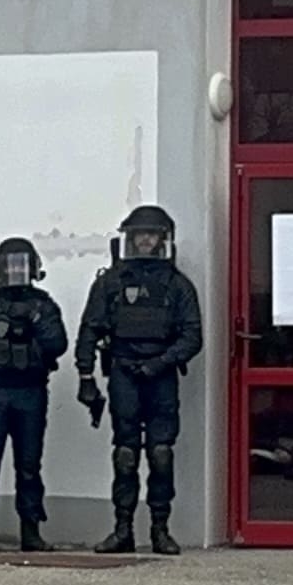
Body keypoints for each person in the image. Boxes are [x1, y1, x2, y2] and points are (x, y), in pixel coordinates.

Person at [77, 204, 205, 556]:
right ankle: (122, 530)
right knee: (125, 454)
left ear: (163, 239)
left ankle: (160, 530)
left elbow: (193, 337)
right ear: (129, 238)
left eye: (152, 234)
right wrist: (85, 375)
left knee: (161, 454)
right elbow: (90, 329)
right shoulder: (111, 282)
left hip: (160, 376)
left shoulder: (178, 285)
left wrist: (161, 362)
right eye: (139, 235)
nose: (146, 241)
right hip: (124, 372)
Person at [0, 236, 69, 551]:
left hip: (30, 390)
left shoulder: (42, 305)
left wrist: (34, 320)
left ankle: (31, 531)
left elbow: (57, 344)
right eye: (10, 265)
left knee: (29, 465)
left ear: (34, 268)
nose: (15, 272)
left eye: (22, 265)